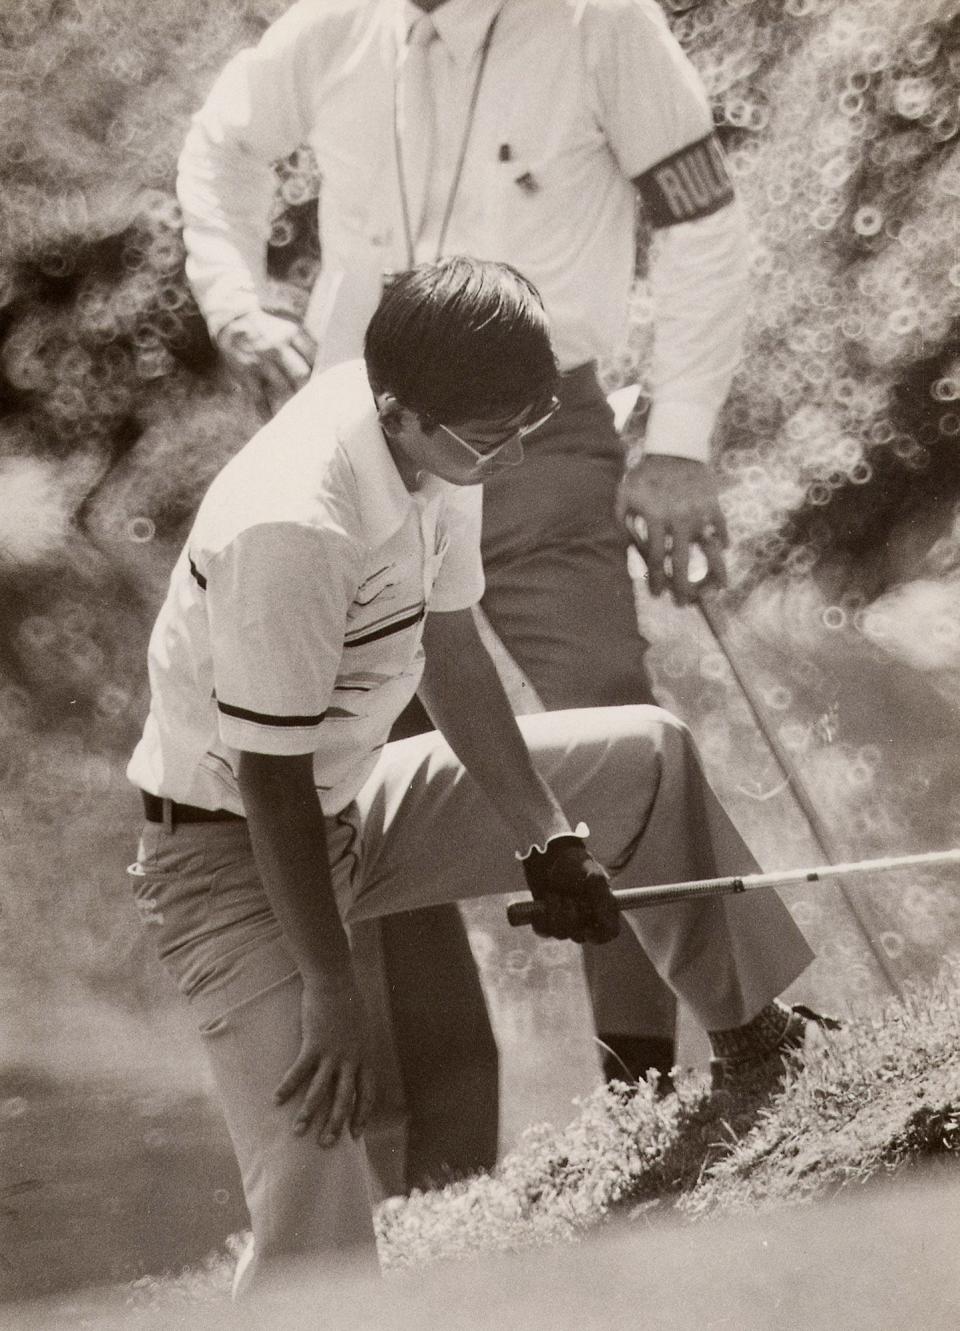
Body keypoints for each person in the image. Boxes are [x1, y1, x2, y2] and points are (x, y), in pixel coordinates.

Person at [127, 259, 822, 1299]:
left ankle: (755, 1039)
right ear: (400, 411)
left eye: (528, 418)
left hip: (350, 794)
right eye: (494, 433)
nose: (517, 449)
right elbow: (270, 781)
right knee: (317, 1178)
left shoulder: (438, 452)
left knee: (647, 752)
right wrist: (331, 986)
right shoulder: (294, 521)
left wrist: (547, 835)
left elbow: (447, 645)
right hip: (230, 851)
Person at [175, 0, 752, 1185]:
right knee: (349, 775)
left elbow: (706, 223)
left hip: (534, 433)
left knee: (606, 714)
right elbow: (220, 146)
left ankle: (640, 1100)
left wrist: (682, 436)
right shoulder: (332, 29)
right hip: (355, 435)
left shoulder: (602, 26)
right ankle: (435, 1166)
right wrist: (237, 302)